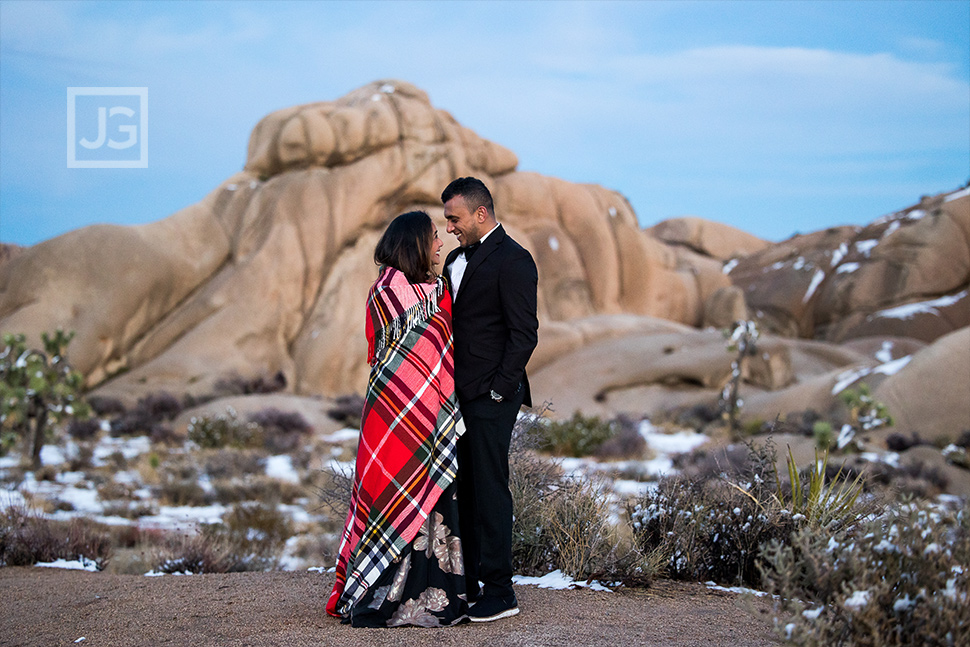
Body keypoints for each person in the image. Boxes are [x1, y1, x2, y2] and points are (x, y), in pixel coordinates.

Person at [326, 211, 469, 627]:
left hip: (431, 416)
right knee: (389, 496)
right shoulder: (386, 291)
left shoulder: (437, 291)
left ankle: (432, 595)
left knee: (431, 502)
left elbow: (442, 353)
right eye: (433, 238)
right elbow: (399, 358)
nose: (440, 244)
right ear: (415, 244)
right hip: (392, 415)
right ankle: (380, 594)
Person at [441, 177, 539, 623]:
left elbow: (524, 334)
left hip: (492, 396)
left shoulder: (515, 260)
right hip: (456, 397)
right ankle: (473, 583)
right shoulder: (454, 261)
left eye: (454, 219)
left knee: (491, 488)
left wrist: (500, 388)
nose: (449, 229)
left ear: (481, 213)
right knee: (466, 490)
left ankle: (501, 591)